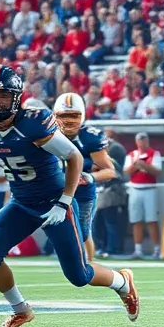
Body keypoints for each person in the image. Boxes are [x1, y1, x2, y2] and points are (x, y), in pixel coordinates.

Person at [0, 65, 139, 327]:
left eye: (3, 96)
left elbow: (74, 157)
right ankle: (20, 309)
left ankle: (123, 281)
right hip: (21, 203)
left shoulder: (33, 123)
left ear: (16, 97)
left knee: (79, 275)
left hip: (55, 202)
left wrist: (64, 201)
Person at [52, 93, 118, 263]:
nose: (68, 121)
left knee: (82, 230)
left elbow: (110, 171)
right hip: (55, 190)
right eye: (64, 115)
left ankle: (89, 264)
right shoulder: (47, 133)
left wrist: (90, 176)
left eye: (74, 115)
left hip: (82, 192)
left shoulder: (89, 137)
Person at [125, 132, 163, 259]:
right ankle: (138, 250)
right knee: (136, 220)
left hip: (150, 188)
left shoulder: (154, 153)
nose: (142, 143)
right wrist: (136, 165)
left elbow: (157, 171)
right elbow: (126, 171)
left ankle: (157, 249)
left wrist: (145, 165)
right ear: (137, 142)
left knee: (152, 220)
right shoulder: (131, 154)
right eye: (140, 140)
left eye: (144, 140)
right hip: (135, 188)